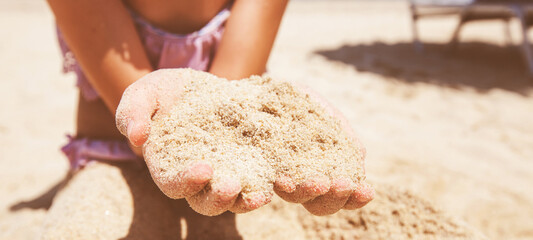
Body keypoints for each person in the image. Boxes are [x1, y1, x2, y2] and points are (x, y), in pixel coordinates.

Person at [44, 0, 373, 237]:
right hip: (111, 158)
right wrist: (178, 130)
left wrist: (272, 109)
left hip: (234, 165)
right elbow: (140, 122)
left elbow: (227, 95)